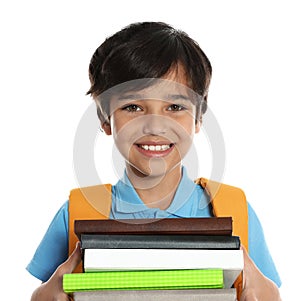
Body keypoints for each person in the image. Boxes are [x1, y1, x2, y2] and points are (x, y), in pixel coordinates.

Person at [27, 22, 282, 301]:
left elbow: (264, 290)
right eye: (133, 107)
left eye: (175, 107)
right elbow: (48, 291)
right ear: (105, 119)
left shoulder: (235, 211)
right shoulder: (77, 212)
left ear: (198, 118)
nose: (155, 126)